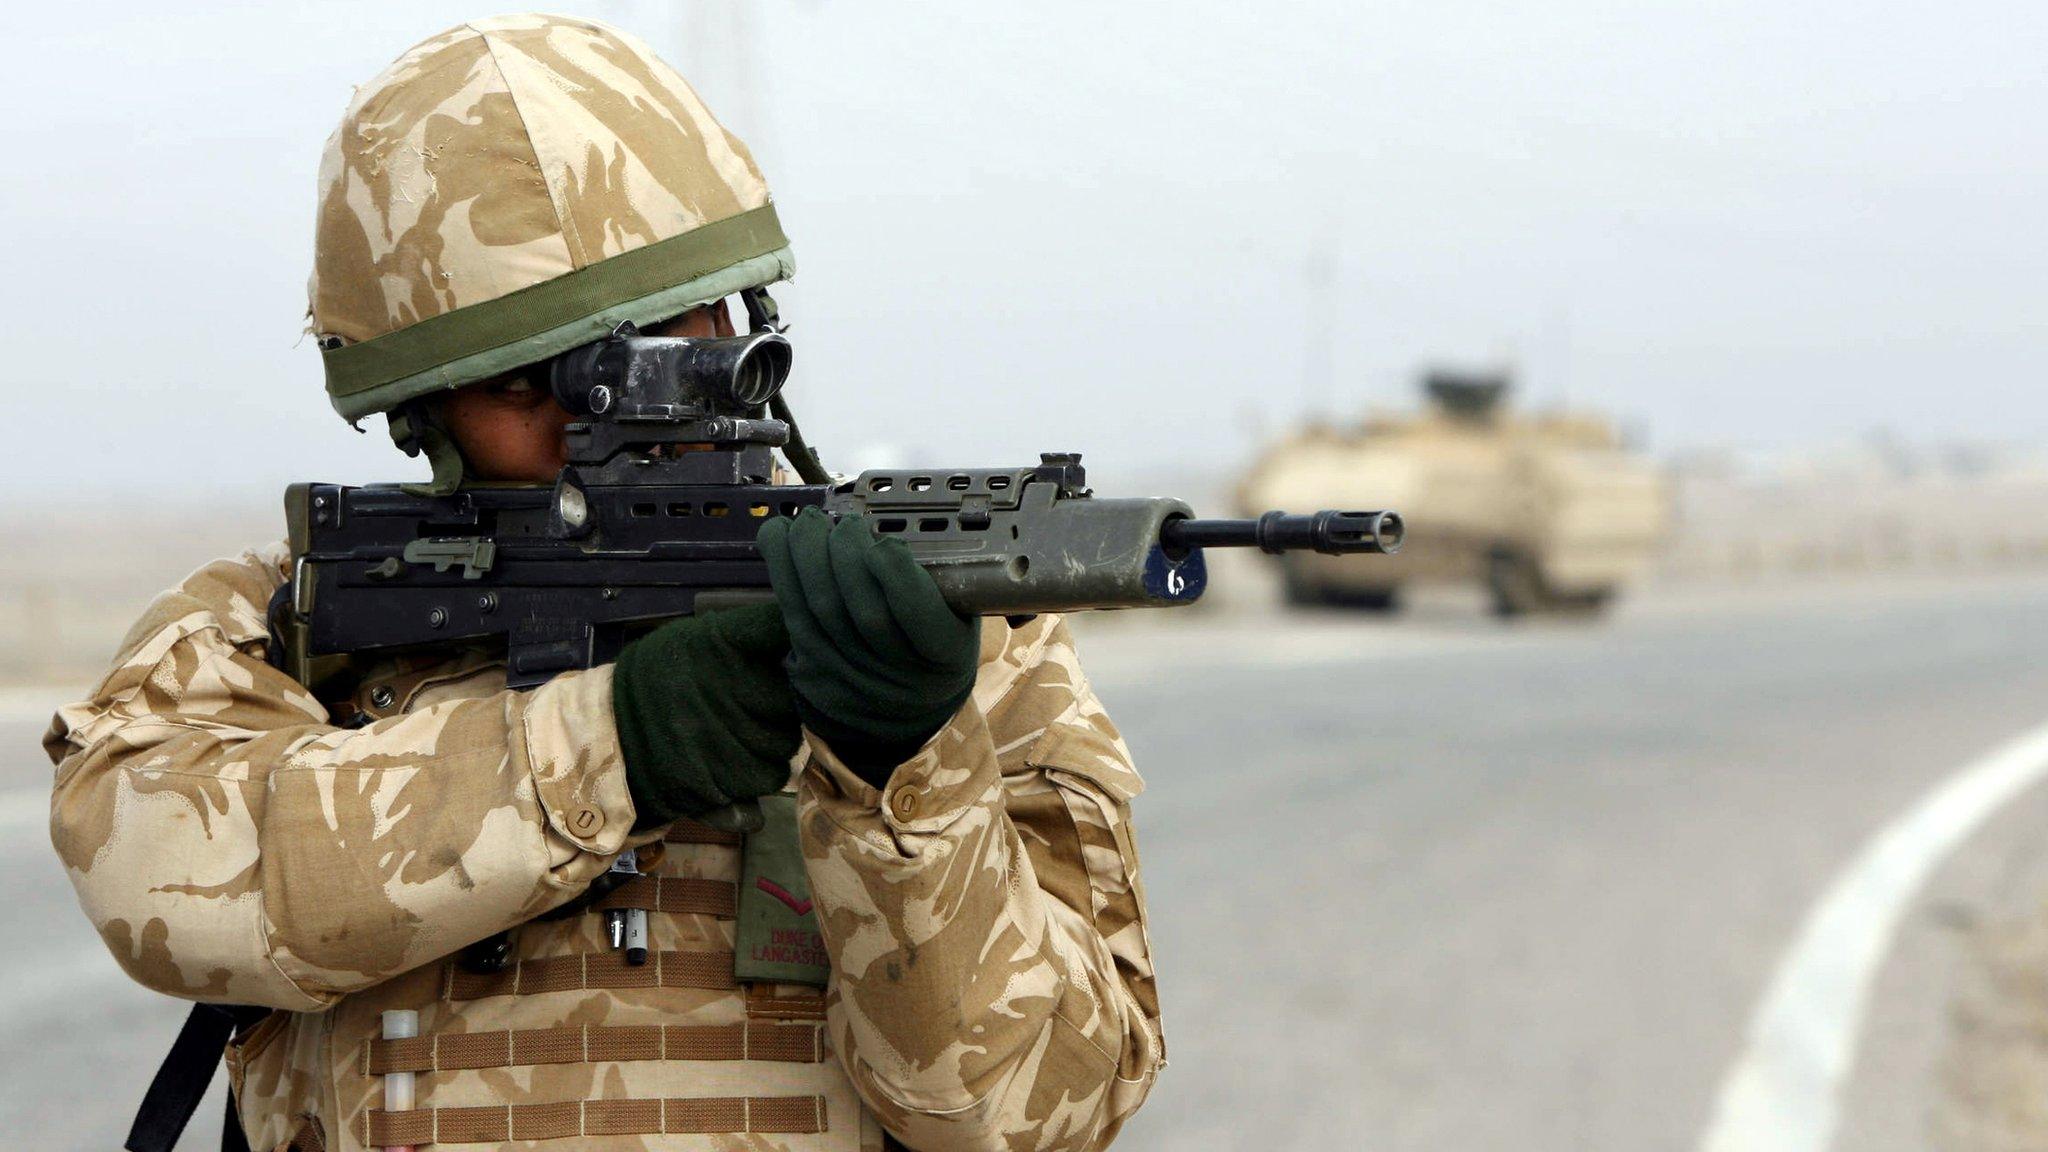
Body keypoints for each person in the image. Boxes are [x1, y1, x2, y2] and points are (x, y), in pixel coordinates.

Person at [46, 15, 1161, 1152]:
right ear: (422, 412)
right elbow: (162, 879)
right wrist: (614, 740)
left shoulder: (949, 637)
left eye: (663, 344)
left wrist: (902, 770)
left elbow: (1034, 1113)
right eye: (534, 383)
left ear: (736, 326)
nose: (610, 420)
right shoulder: (276, 624)